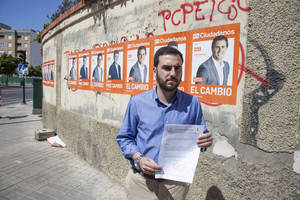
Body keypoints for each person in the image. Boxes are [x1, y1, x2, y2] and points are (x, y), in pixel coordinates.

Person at [116, 46, 213, 200]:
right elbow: (124, 138)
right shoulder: (137, 102)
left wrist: (205, 141)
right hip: (141, 184)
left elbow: (200, 139)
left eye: (177, 68)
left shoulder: (192, 103)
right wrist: (138, 158)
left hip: (176, 185)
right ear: (154, 71)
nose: (173, 73)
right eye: (167, 68)